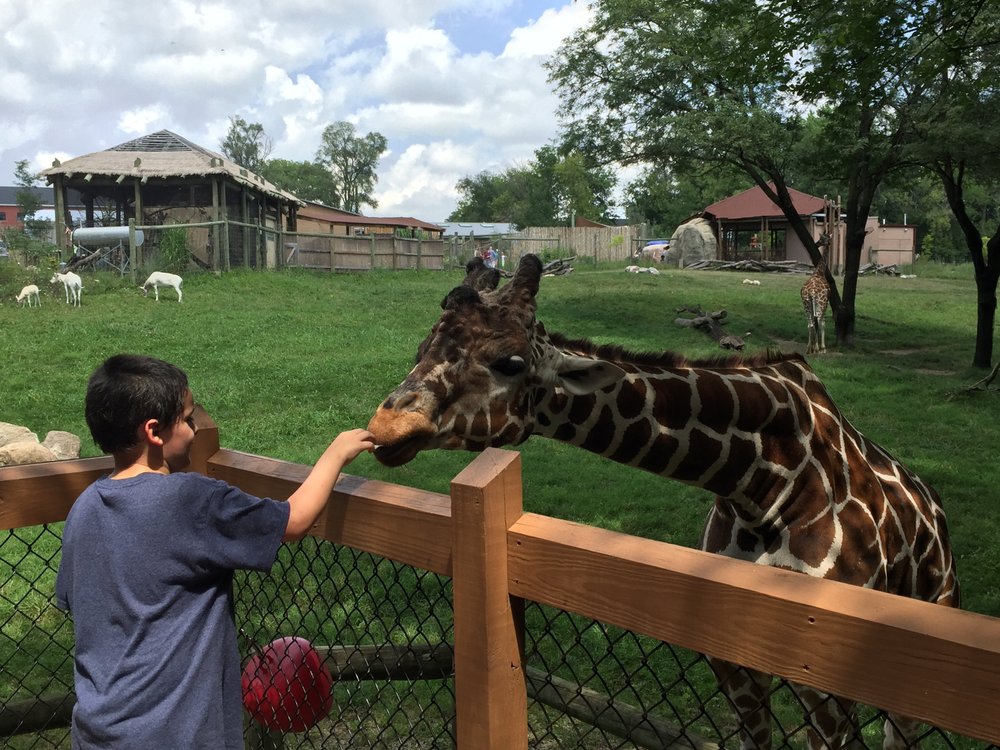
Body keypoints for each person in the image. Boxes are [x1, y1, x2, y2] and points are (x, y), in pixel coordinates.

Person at [55, 354, 374, 749]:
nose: (193, 429)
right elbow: (293, 521)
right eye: (188, 419)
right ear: (154, 431)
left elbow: (80, 601)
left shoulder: (83, 509)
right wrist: (337, 453)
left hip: (100, 732)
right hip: (176, 736)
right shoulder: (190, 501)